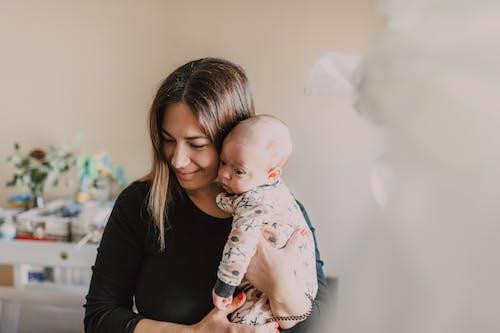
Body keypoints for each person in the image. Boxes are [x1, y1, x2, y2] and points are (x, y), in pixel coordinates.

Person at [84, 58, 329, 333]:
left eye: (196, 144)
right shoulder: (140, 204)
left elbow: (324, 323)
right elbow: (100, 317)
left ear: (231, 138)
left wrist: (279, 285)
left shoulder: (281, 213)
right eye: (168, 140)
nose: (177, 160)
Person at [212, 115, 318, 328]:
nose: (223, 174)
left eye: (238, 171)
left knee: (242, 323)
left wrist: (224, 286)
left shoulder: (254, 201)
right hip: (302, 287)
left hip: (280, 289)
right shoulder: (279, 192)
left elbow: (240, 244)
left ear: (271, 175)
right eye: (223, 162)